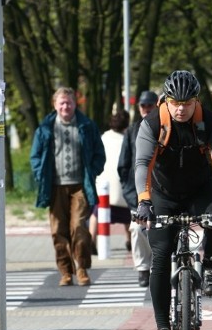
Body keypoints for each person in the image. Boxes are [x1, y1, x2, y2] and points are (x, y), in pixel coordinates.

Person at [134, 70, 212, 330]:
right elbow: (142, 164)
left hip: (199, 192)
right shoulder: (153, 122)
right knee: (161, 256)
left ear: (196, 101)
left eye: (187, 103)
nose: (181, 108)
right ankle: (163, 329)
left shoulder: (210, 122)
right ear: (166, 100)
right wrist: (144, 202)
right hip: (162, 196)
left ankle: (211, 265)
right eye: (176, 103)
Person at [30, 86, 105, 287]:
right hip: (54, 187)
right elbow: (35, 156)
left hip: (80, 186)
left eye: (69, 102)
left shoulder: (86, 126)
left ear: (75, 104)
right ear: (55, 105)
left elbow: (99, 153)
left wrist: (93, 170)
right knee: (58, 230)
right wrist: (40, 174)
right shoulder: (45, 128)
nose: (66, 106)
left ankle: (81, 268)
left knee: (79, 227)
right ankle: (65, 271)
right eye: (62, 102)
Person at [117, 89, 158, 286]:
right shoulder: (132, 131)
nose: (146, 109)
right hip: (139, 194)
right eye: (143, 105)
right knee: (137, 229)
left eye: (150, 105)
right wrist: (131, 194)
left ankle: (163, 265)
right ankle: (143, 269)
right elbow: (123, 165)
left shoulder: (166, 127)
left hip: (163, 191)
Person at [89, 109, 131, 251]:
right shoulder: (127, 141)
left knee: (97, 213)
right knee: (128, 216)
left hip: (104, 188)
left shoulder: (103, 138)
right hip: (122, 190)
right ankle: (129, 240)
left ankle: (91, 240)